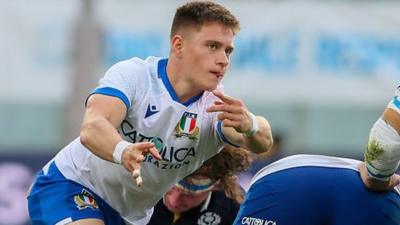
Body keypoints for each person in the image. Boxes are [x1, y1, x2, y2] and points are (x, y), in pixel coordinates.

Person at [27, 1, 273, 225]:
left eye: (228, 51)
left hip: (133, 216)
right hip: (74, 185)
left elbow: (262, 141)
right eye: (212, 46)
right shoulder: (135, 76)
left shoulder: (215, 107)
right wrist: (123, 150)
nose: (223, 60)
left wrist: (250, 124)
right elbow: (92, 127)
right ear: (179, 45)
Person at [233, 88, 400, 225]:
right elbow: (386, 141)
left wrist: (377, 175)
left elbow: (386, 141)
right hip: (361, 194)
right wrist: (376, 177)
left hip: (289, 181)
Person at [147, 145, 253, 225]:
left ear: (217, 186)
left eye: (190, 195)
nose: (174, 201)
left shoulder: (235, 208)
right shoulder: (140, 186)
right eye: (171, 188)